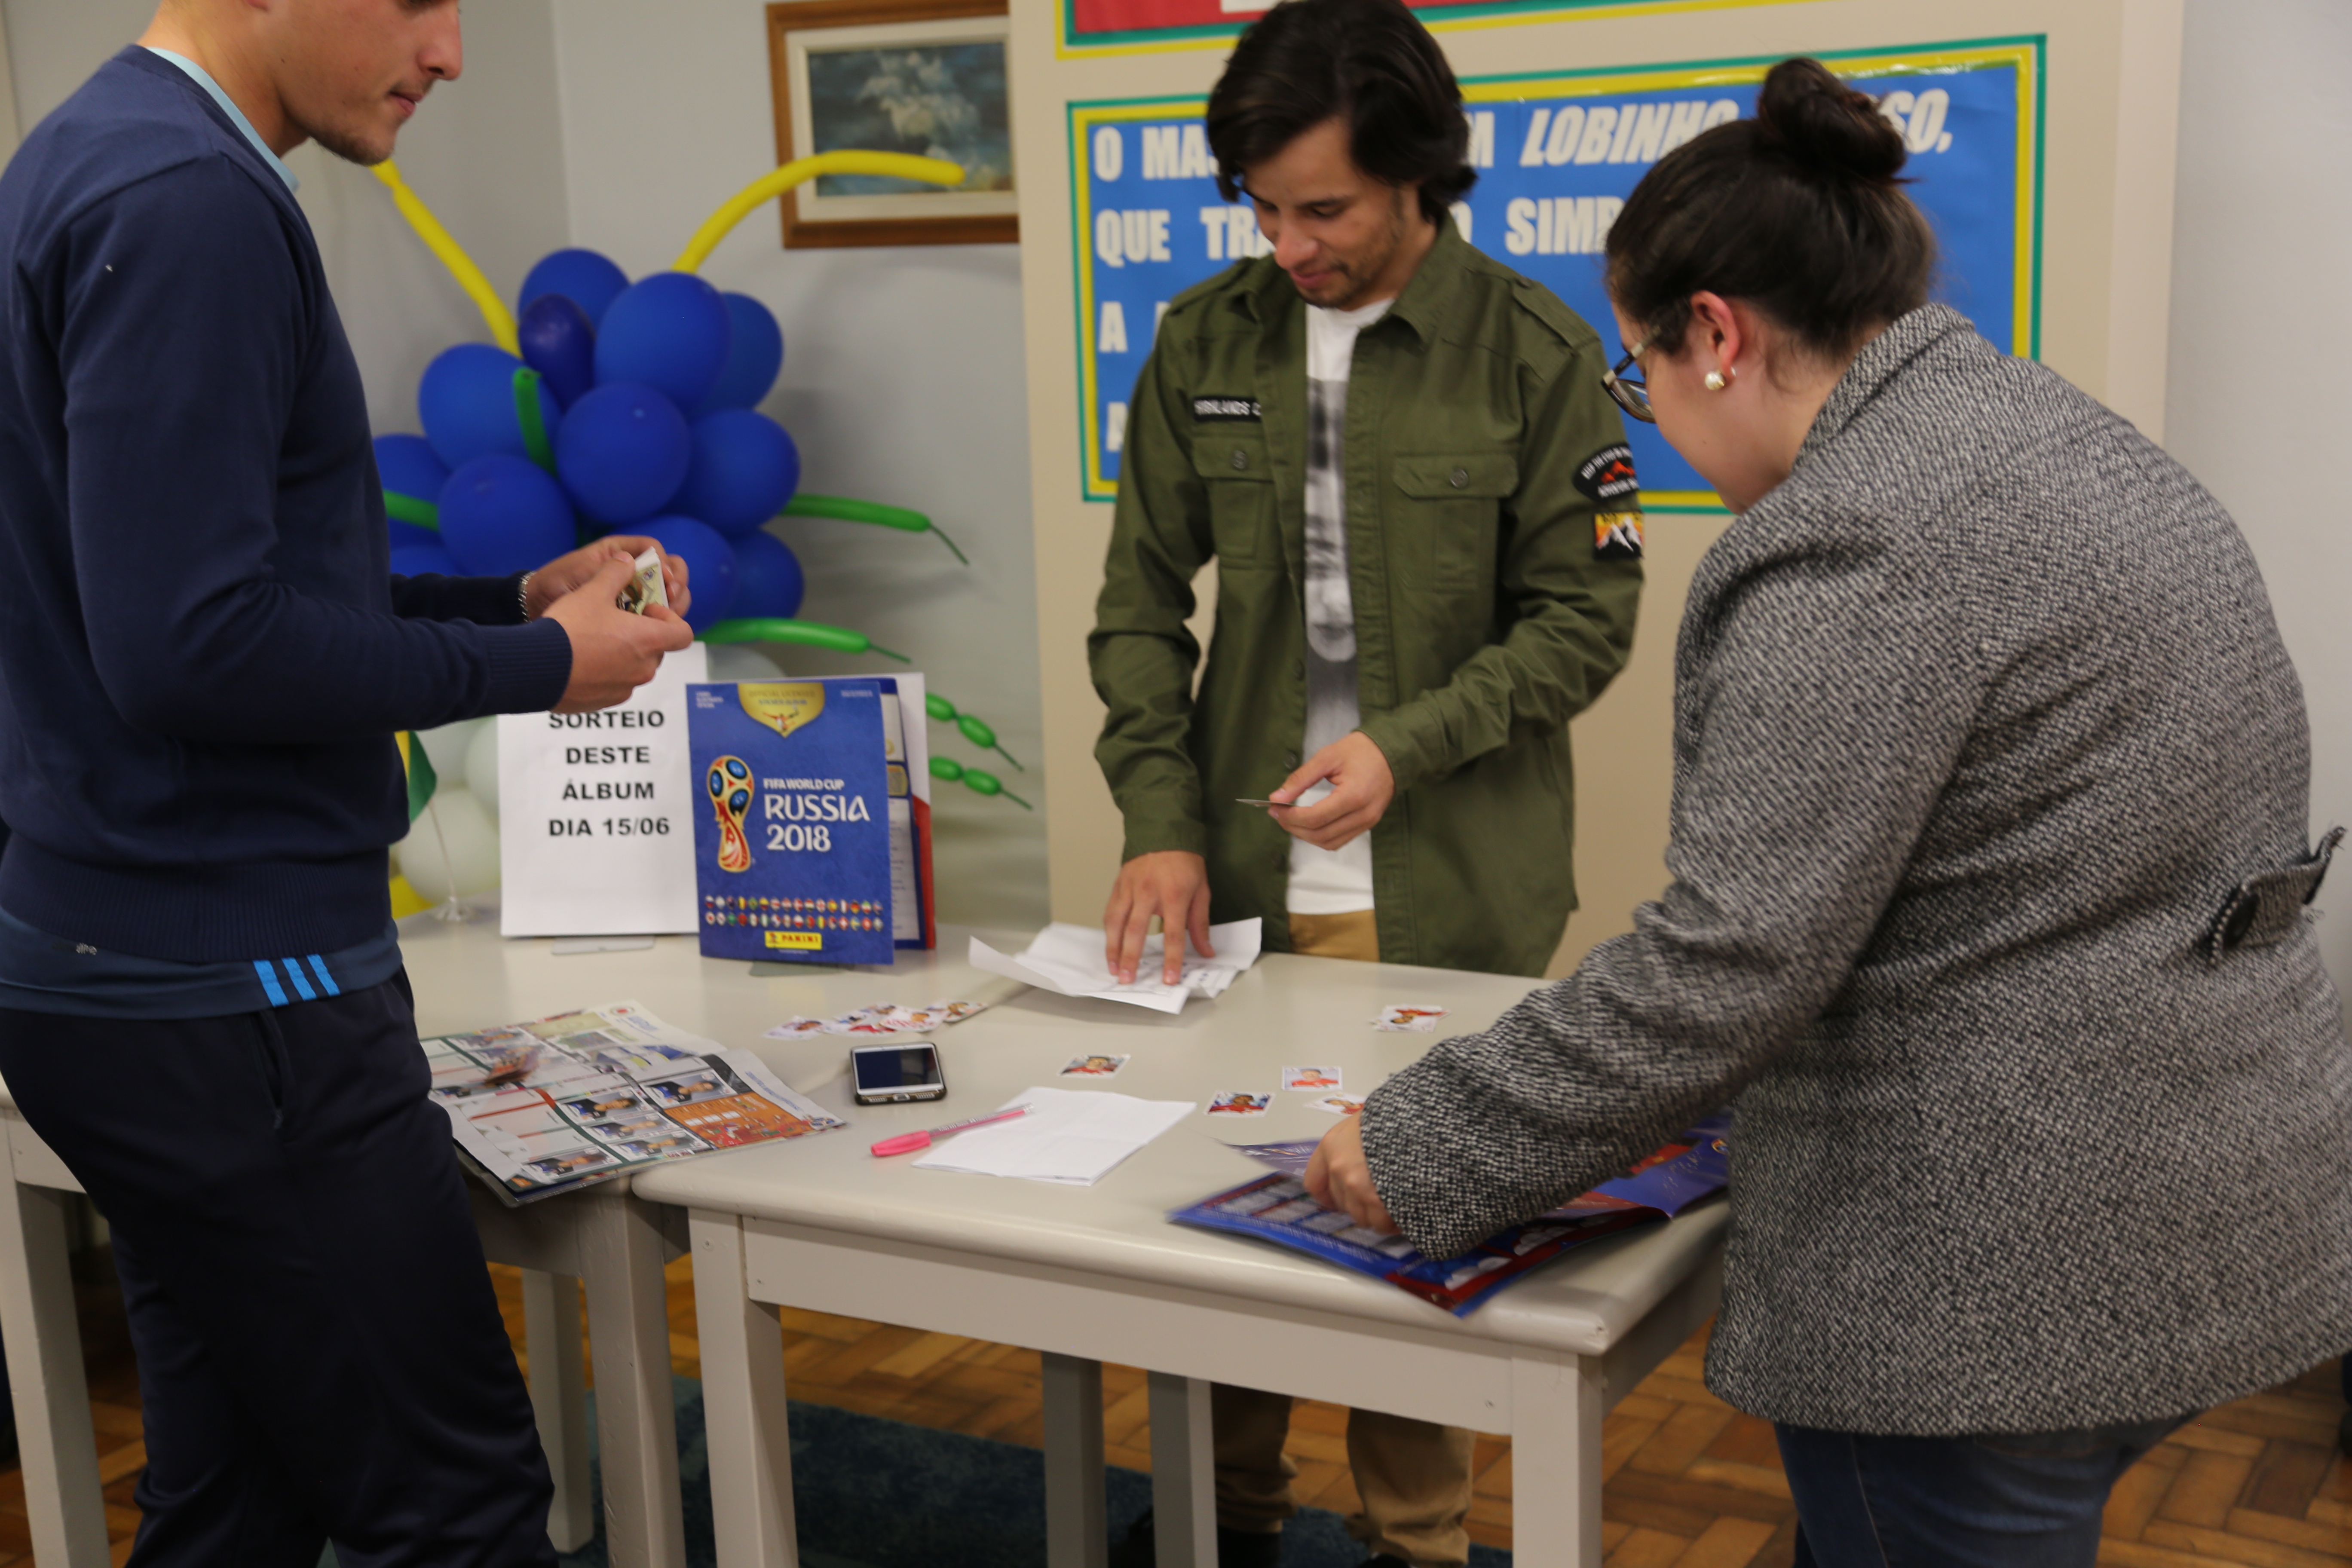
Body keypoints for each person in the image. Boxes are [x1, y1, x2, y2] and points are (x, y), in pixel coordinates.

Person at [1305, 57, 2352, 1567]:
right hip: (2210, 1188)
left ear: (1715, 337)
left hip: (1994, 1280)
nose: (1648, 418)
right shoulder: (2060, 445)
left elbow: (1728, 963)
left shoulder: (1858, 546)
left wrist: (1422, 1145)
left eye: (1638, 374)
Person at [0, 2, 693, 1563]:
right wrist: (536, 673)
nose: (449, 52)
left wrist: (507, 604)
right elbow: (190, 648)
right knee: (453, 1508)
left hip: (114, 965)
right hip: (233, 985)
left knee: (239, 1500)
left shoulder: (101, 156)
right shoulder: (187, 202)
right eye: (415, 1)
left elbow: (203, 583)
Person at [1088, 0, 1642, 1561]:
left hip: (1456, 889)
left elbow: (1587, 621)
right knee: (1218, 1238)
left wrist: (1410, 744)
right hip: (1242, 891)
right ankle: (1225, 1521)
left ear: (1420, 176)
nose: (1289, 243)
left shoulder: (1532, 355)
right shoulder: (1206, 341)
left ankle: (1416, 1537)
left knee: (1415, 1218)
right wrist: (1159, 827)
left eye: (1321, 207)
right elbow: (1138, 607)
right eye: (1259, 207)